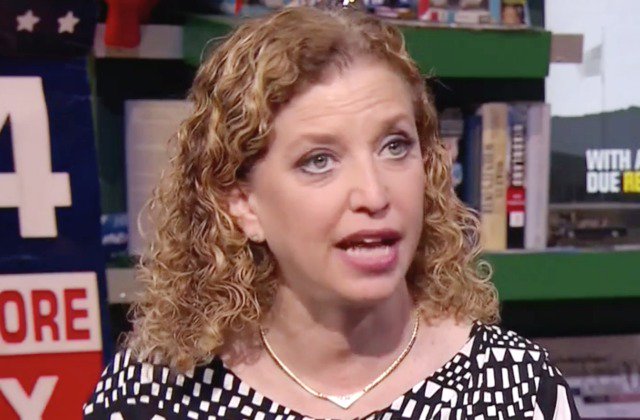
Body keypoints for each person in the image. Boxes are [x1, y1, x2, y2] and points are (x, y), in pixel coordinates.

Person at [84, 5, 580, 419]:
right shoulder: (153, 395)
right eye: (318, 160)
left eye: (394, 146)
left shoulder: (516, 392)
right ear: (242, 202)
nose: (374, 194)